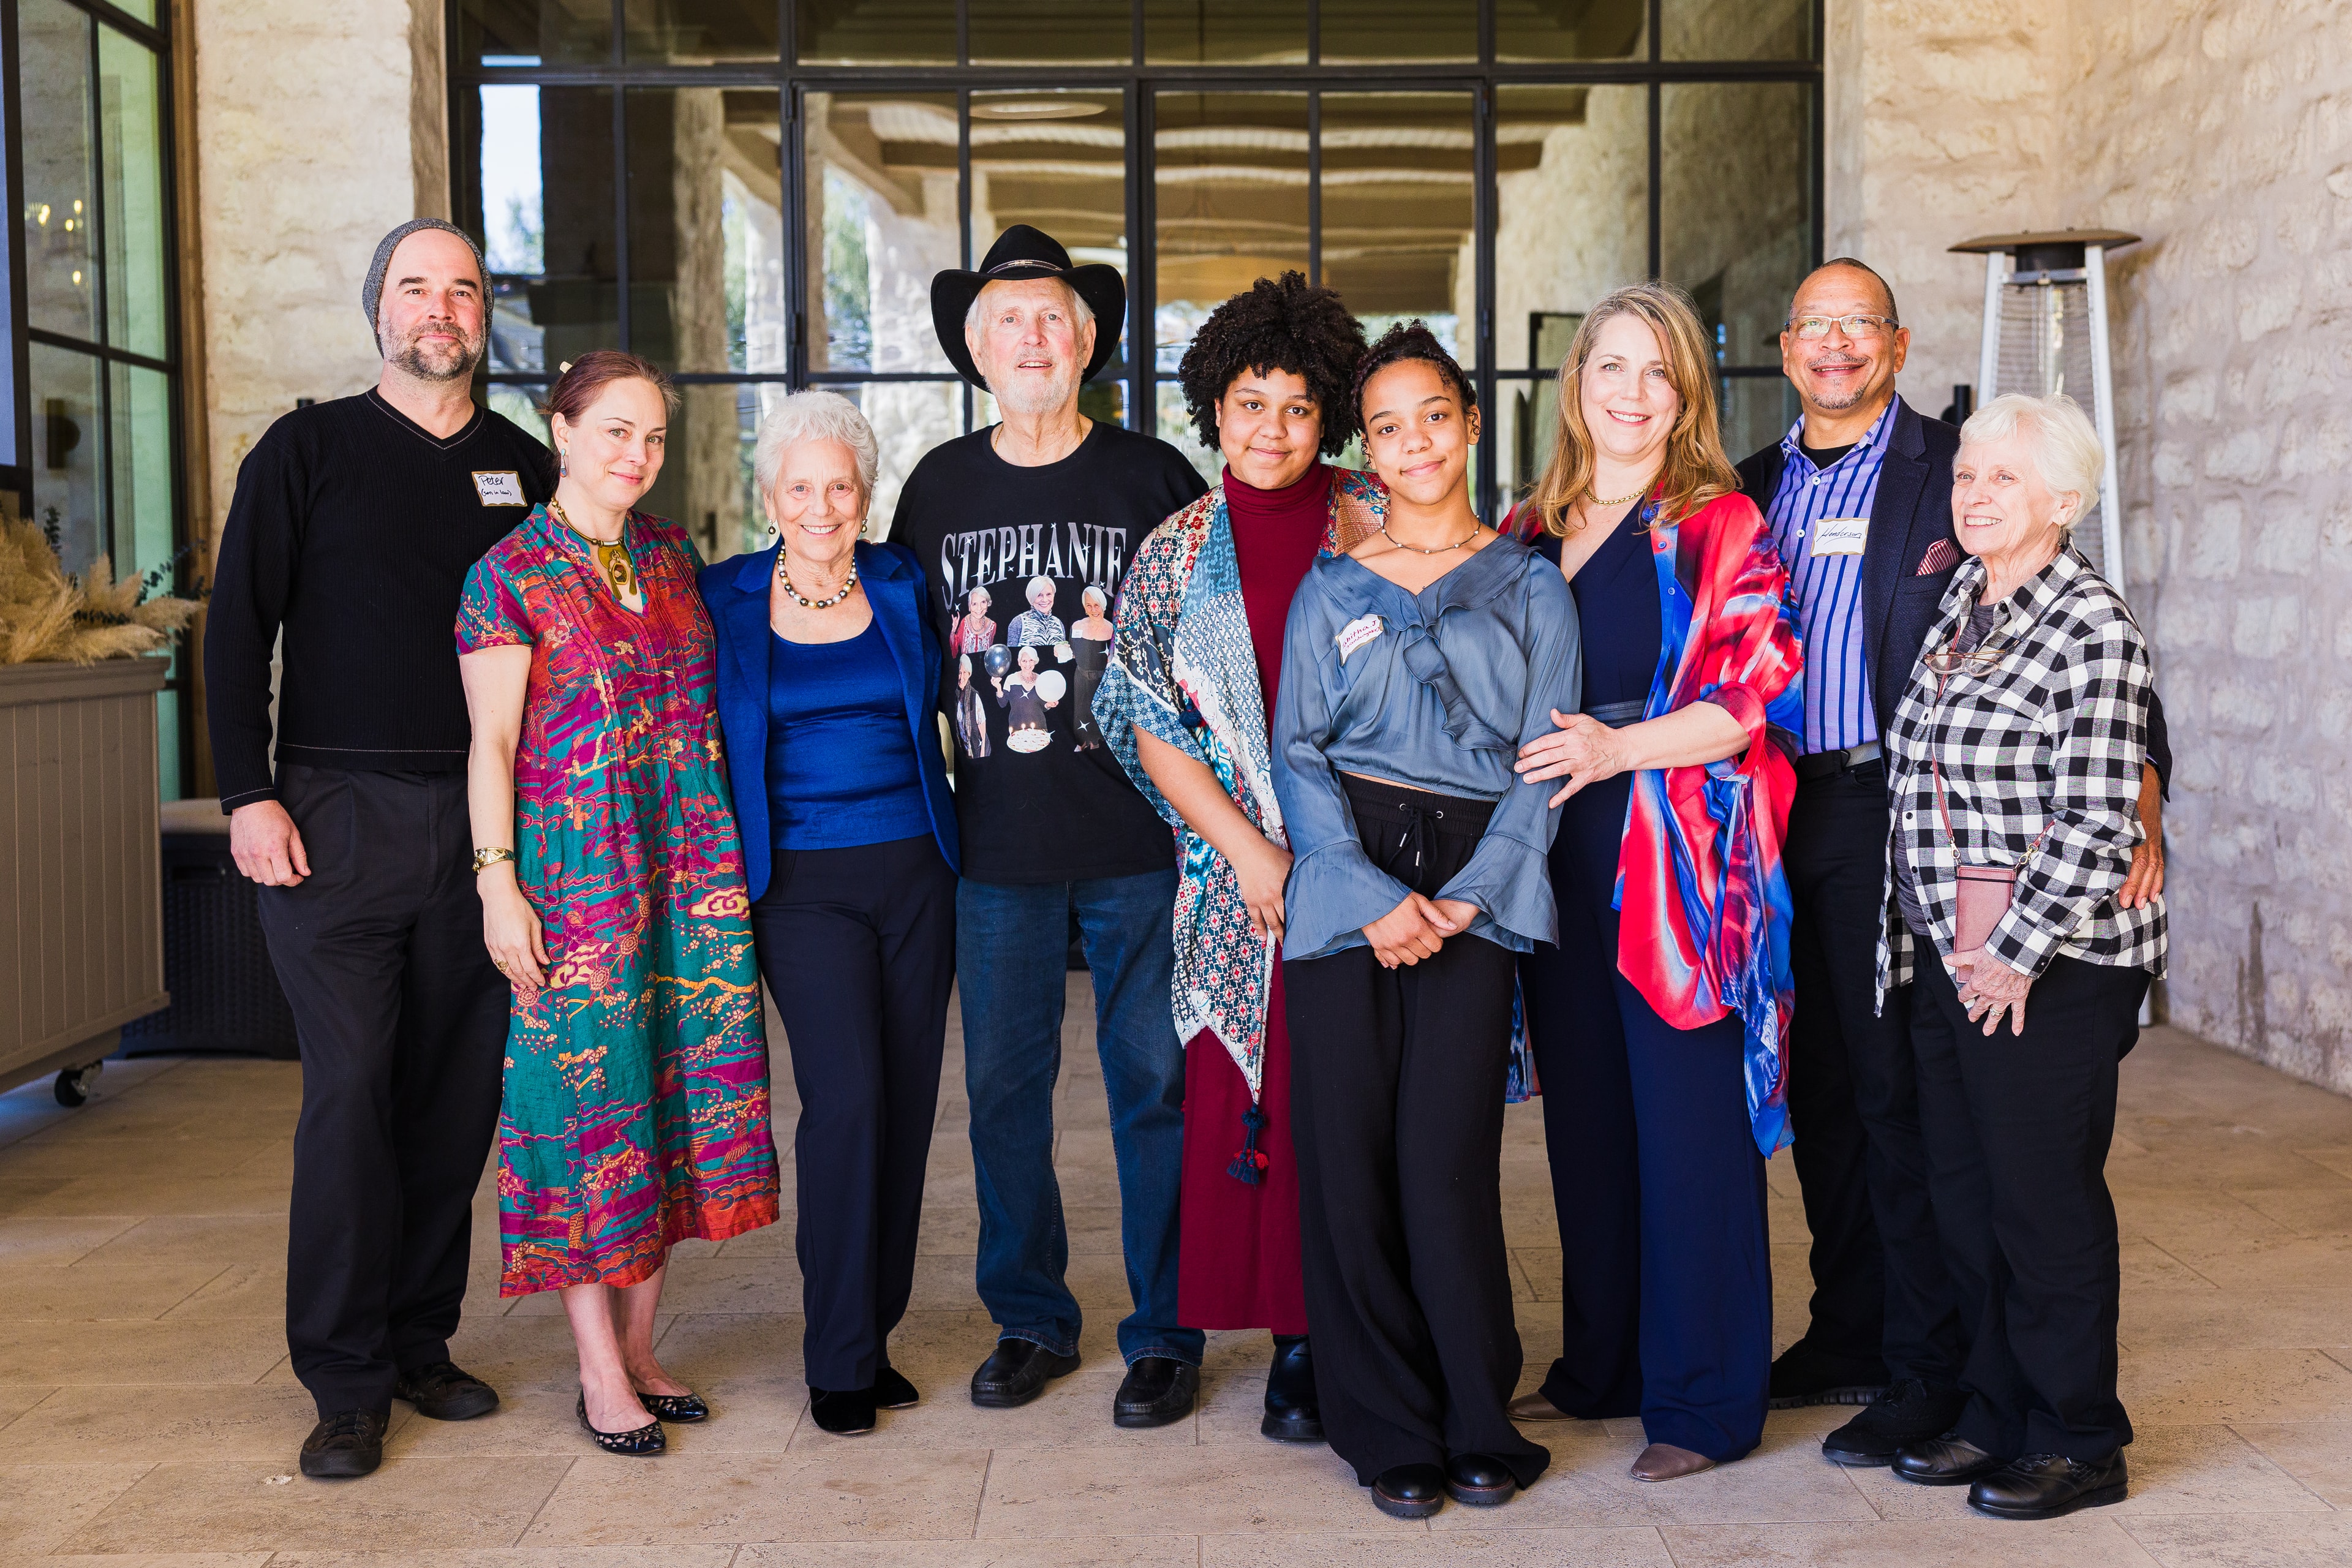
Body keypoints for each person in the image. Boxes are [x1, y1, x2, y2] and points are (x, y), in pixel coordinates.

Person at [1730, 259, 2173, 1462]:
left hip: (1921, 828)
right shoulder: (1753, 487)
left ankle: (1958, 1375)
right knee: (1835, 1092)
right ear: (1783, 347)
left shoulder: (1957, 480)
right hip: (1794, 822)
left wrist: (2145, 804)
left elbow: (2110, 697)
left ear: (1898, 341)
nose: (1835, 345)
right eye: (1813, 327)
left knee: (1932, 1121)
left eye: (1857, 325)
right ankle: (1870, 1333)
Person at [205, 218, 554, 1480]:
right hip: (333, 817)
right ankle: (343, 1379)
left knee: (455, 1098)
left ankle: (419, 1339)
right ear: (379, 311)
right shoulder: (306, 450)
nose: (441, 308)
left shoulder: (527, 467)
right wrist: (248, 791)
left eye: (463, 289)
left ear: (484, 315)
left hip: (485, 824)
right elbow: (237, 630)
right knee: (351, 1096)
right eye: (417, 287)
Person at [894, 224, 1210, 1425]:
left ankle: (1167, 1330)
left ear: (1087, 343)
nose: (1032, 336)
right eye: (1008, 319)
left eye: (1053, 318)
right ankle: (1030, 1317)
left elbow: (1211, 652)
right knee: (1007, 1092)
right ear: (977, 349)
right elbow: (906, 662)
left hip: (1146, 845)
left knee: (1155, 1087)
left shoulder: (1154, 476)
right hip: (999, 855)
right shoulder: (936, 487)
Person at [1275, 322, 1577, 1518]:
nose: (1414, 443)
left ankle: (1473, 1411)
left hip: (1476, 877)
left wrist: (1471, 892)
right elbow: (1296, 752)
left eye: (1433, 417)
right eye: (1388, 426)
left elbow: (1549, 759)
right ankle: (1384, 1422)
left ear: (1468, 424)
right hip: (1347, 873)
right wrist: (1361, 892)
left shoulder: (1529, 582)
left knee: (1446, 1157)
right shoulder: (1328, 590)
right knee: (1347, 1158)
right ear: (1370, 448)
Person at [457, 351, 782, 1457]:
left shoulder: (672, 557)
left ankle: (644, 1350)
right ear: (561, 431)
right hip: (577, 884)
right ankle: (598, 1371)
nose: (637, 455)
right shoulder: (509, 573)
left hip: (690, 877)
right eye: (615, 433)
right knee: (589, 1116)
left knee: (679, 1110)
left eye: (652, 437)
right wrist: (497, 882)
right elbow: (491, 742)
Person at [1507, 283, 1803, 1483]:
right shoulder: (1530, 522)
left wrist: (1615, 747)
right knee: (1589, 1120)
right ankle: (1607, 1362)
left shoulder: (1716, 519)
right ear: (1575, 382)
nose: (1630, 393)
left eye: (1656, 373)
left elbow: (1747, 702)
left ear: (1686, 395)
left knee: (1686, 1124)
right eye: (1609, 368)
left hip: (1673, 853)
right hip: (1554, 856)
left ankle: (1704, 1399)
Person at [1095, 271, 1374, 1446]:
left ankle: (1315, 1339)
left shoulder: (1371, 516)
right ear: (1214, 406)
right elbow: (1146, 719)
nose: (1272, 430)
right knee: (1226, 1107)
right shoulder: (1177, 548)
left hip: (1363, 862)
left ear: (1331, 420)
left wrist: (1328, 854)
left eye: (1299, 408)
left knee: (1337, 1104)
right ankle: (1199, 1331)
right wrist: (1253, 855)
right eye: (1251, 403)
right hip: (1231, 878)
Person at [1877, 393, 2165, 1520]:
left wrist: (2013, 953)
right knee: (1967, 1195)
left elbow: (2098, 821)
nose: (1975, 493)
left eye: (2004, 478)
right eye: (1968, 477)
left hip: (2049, 964)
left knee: (2041, 1207)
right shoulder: (1965, 598)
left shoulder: (2091, 627)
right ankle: (1995, 1415)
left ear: (2064, 500)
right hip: (1953, 954)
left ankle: (2080, 1438)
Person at [699, 391, 962, 1437]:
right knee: (846, 1100)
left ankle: (873, 1327)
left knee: (904, 1107)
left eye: (839, 487)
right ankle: (837, 1356)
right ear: (770, 496)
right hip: (799, 883)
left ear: (866, 494)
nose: (820, 506)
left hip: (920, 871)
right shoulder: (721, 597)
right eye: (800, 487)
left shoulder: (903, 580)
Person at [1069, 586, 1114, 750]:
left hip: (1102, 681)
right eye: (1089, 605)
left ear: (1103, 605)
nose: (1093, 609)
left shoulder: (1112, 630)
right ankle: (1081, 744)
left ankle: (1097, 745)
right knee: (1080, 712)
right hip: (1081, 678)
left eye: (1097, 605)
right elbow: (1072, 652)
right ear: (1084, 607)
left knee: (1099, 715)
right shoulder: (1077, 627)